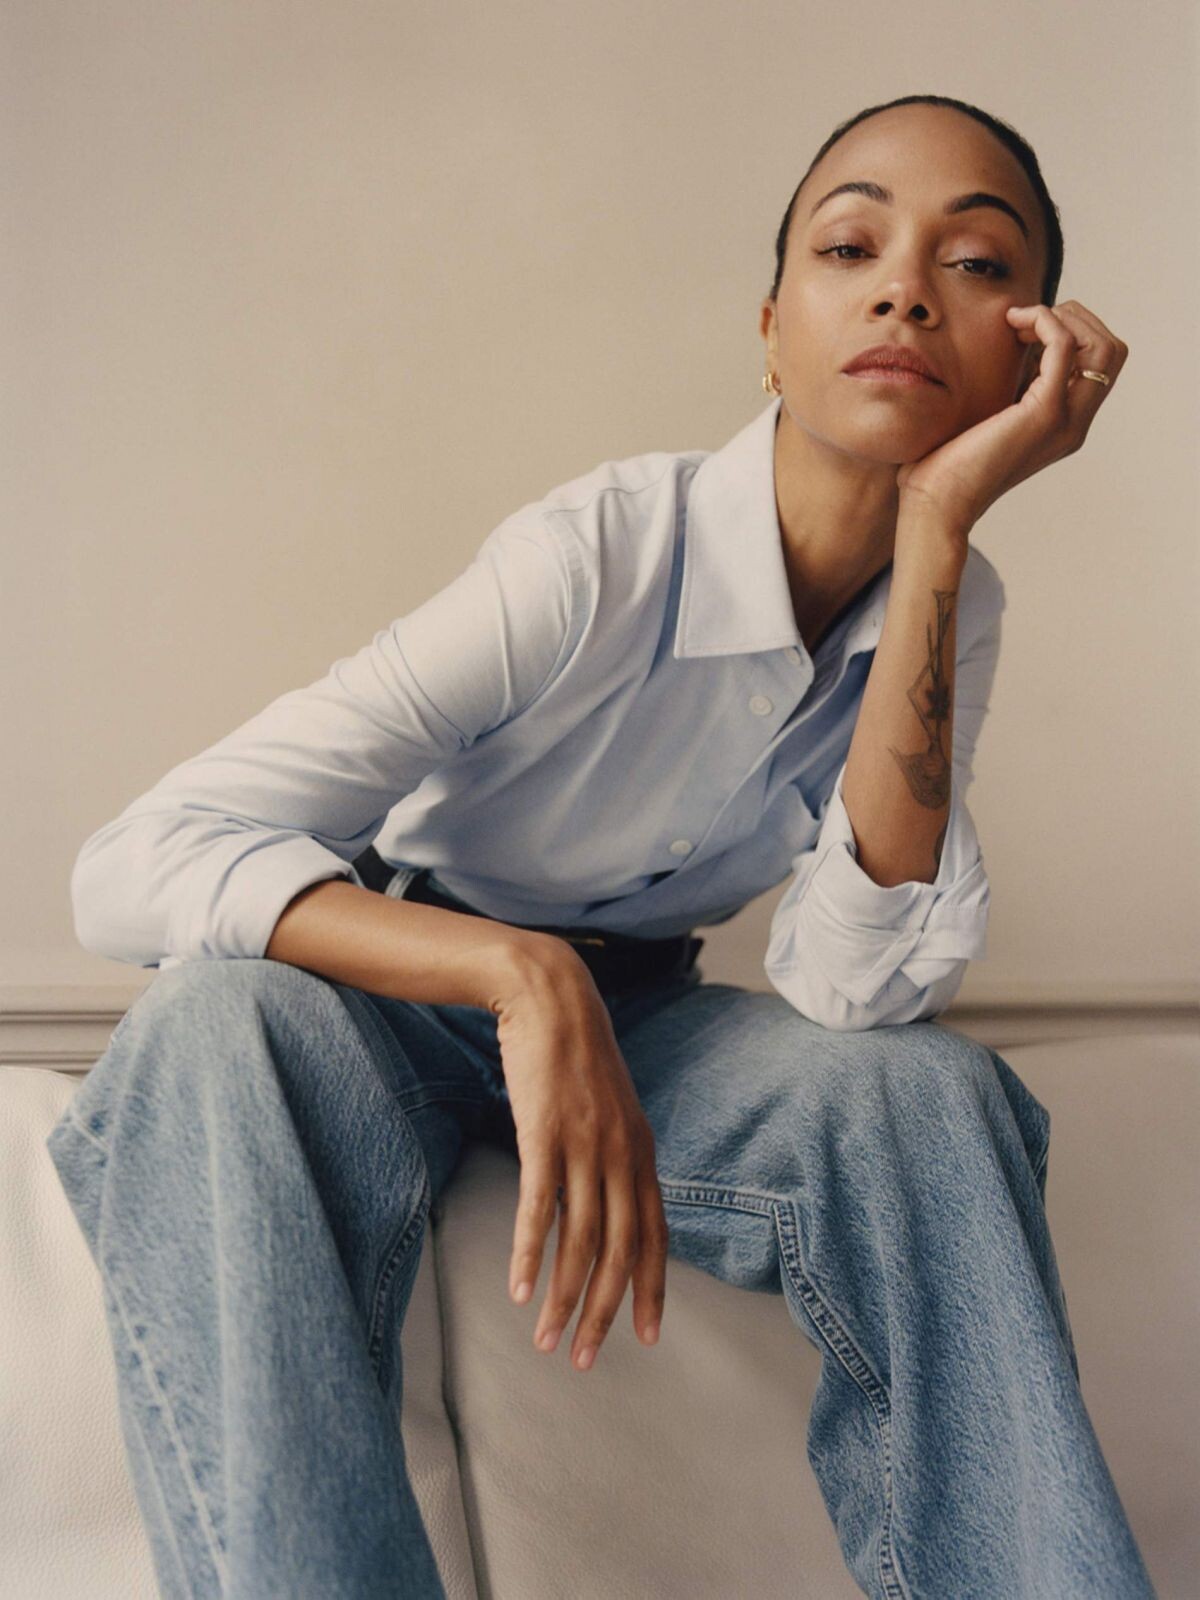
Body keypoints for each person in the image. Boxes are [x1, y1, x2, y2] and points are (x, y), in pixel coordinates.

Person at [46, 92, 1150, 1599]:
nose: (904, 289)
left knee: (928, 1094)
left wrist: (941, 528)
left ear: (1031, 365)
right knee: (207, 1023)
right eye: (851, 247)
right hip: (382, 994)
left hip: (653, 1027)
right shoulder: (595, 556)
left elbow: (854, 992)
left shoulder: (956, 604)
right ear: (771, 333)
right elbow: (134, 859)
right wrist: (518, 977)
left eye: (973, 264)